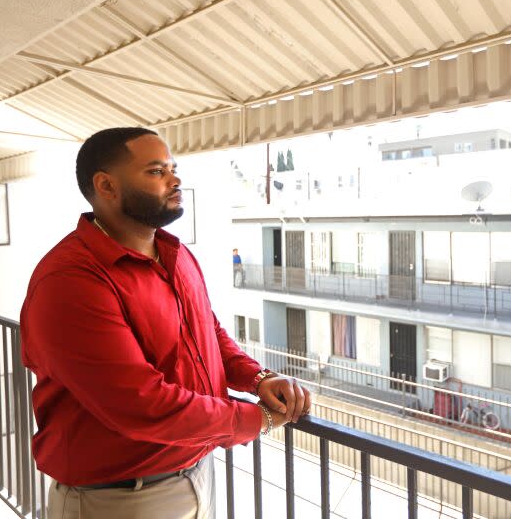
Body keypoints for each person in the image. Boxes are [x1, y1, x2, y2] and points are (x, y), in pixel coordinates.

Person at [20, 127, 312, 519]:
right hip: (122, 499)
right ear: (107, 186)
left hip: (197, 474)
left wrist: (258, 379)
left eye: (173, 168)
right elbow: (141, 403)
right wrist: (257, 418)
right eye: (156, 172)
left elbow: (208, 334)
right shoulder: (71, 280)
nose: (175, 180)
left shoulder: (174, 254)